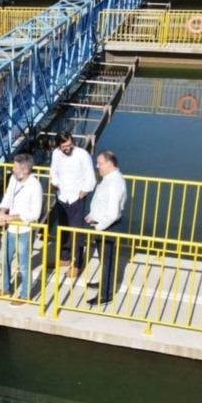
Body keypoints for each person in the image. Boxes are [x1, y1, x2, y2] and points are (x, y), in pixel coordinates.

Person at [0, 154, 43, 306]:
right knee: (3, 260)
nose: (12, 169)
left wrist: (11, 217)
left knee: (23, 265)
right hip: (11, 229)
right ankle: (6, 288)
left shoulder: (35, 186)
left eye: (15, 167)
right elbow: (8, 197)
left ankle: (25, 295)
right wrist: (2, 212)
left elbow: (34, 214)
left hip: (25, 230)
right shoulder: (13, 180)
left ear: (25, 169)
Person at [82, 150, 127, 306]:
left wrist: (99, 226)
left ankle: (106, 295)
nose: (97, 166)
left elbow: (113, 214)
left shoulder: (115, 183)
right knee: (104, 259)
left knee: (107, 261)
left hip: (108, 228)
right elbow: (103, 202)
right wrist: (92, 215)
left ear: (109, 164)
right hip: (102, 225)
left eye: (100, 163)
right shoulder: (108, 178)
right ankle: (104, 283)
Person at [49, 131, 96, 276]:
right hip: (62, 196)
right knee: (63, 228)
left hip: (77, 198)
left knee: (77, 232)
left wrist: (84, 191)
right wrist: (55, 183)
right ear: (59, 145)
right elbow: (53, 171)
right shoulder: (56, 154)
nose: (68, 148)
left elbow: (90, 176)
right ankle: (65, 257)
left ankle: (77, 264)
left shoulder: (82, 155)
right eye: (64, 146)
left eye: (70, 144)